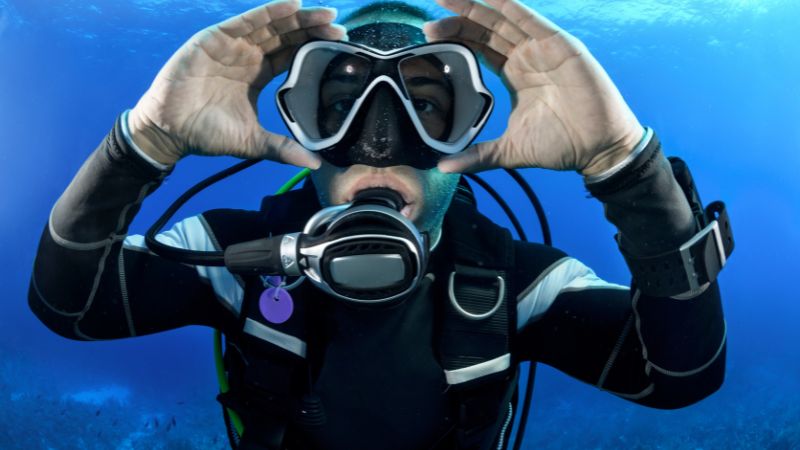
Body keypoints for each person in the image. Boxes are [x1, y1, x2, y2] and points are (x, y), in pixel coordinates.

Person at [28, 0, 732, 449]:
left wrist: (625, 166)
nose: (380, 140)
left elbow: (676, 376)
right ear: (301, 128)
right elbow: (73, 304)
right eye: (341, 105)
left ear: (465, 135)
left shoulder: (516, 282)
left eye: (427, 106)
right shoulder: (236, 255)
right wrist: (145, 141)